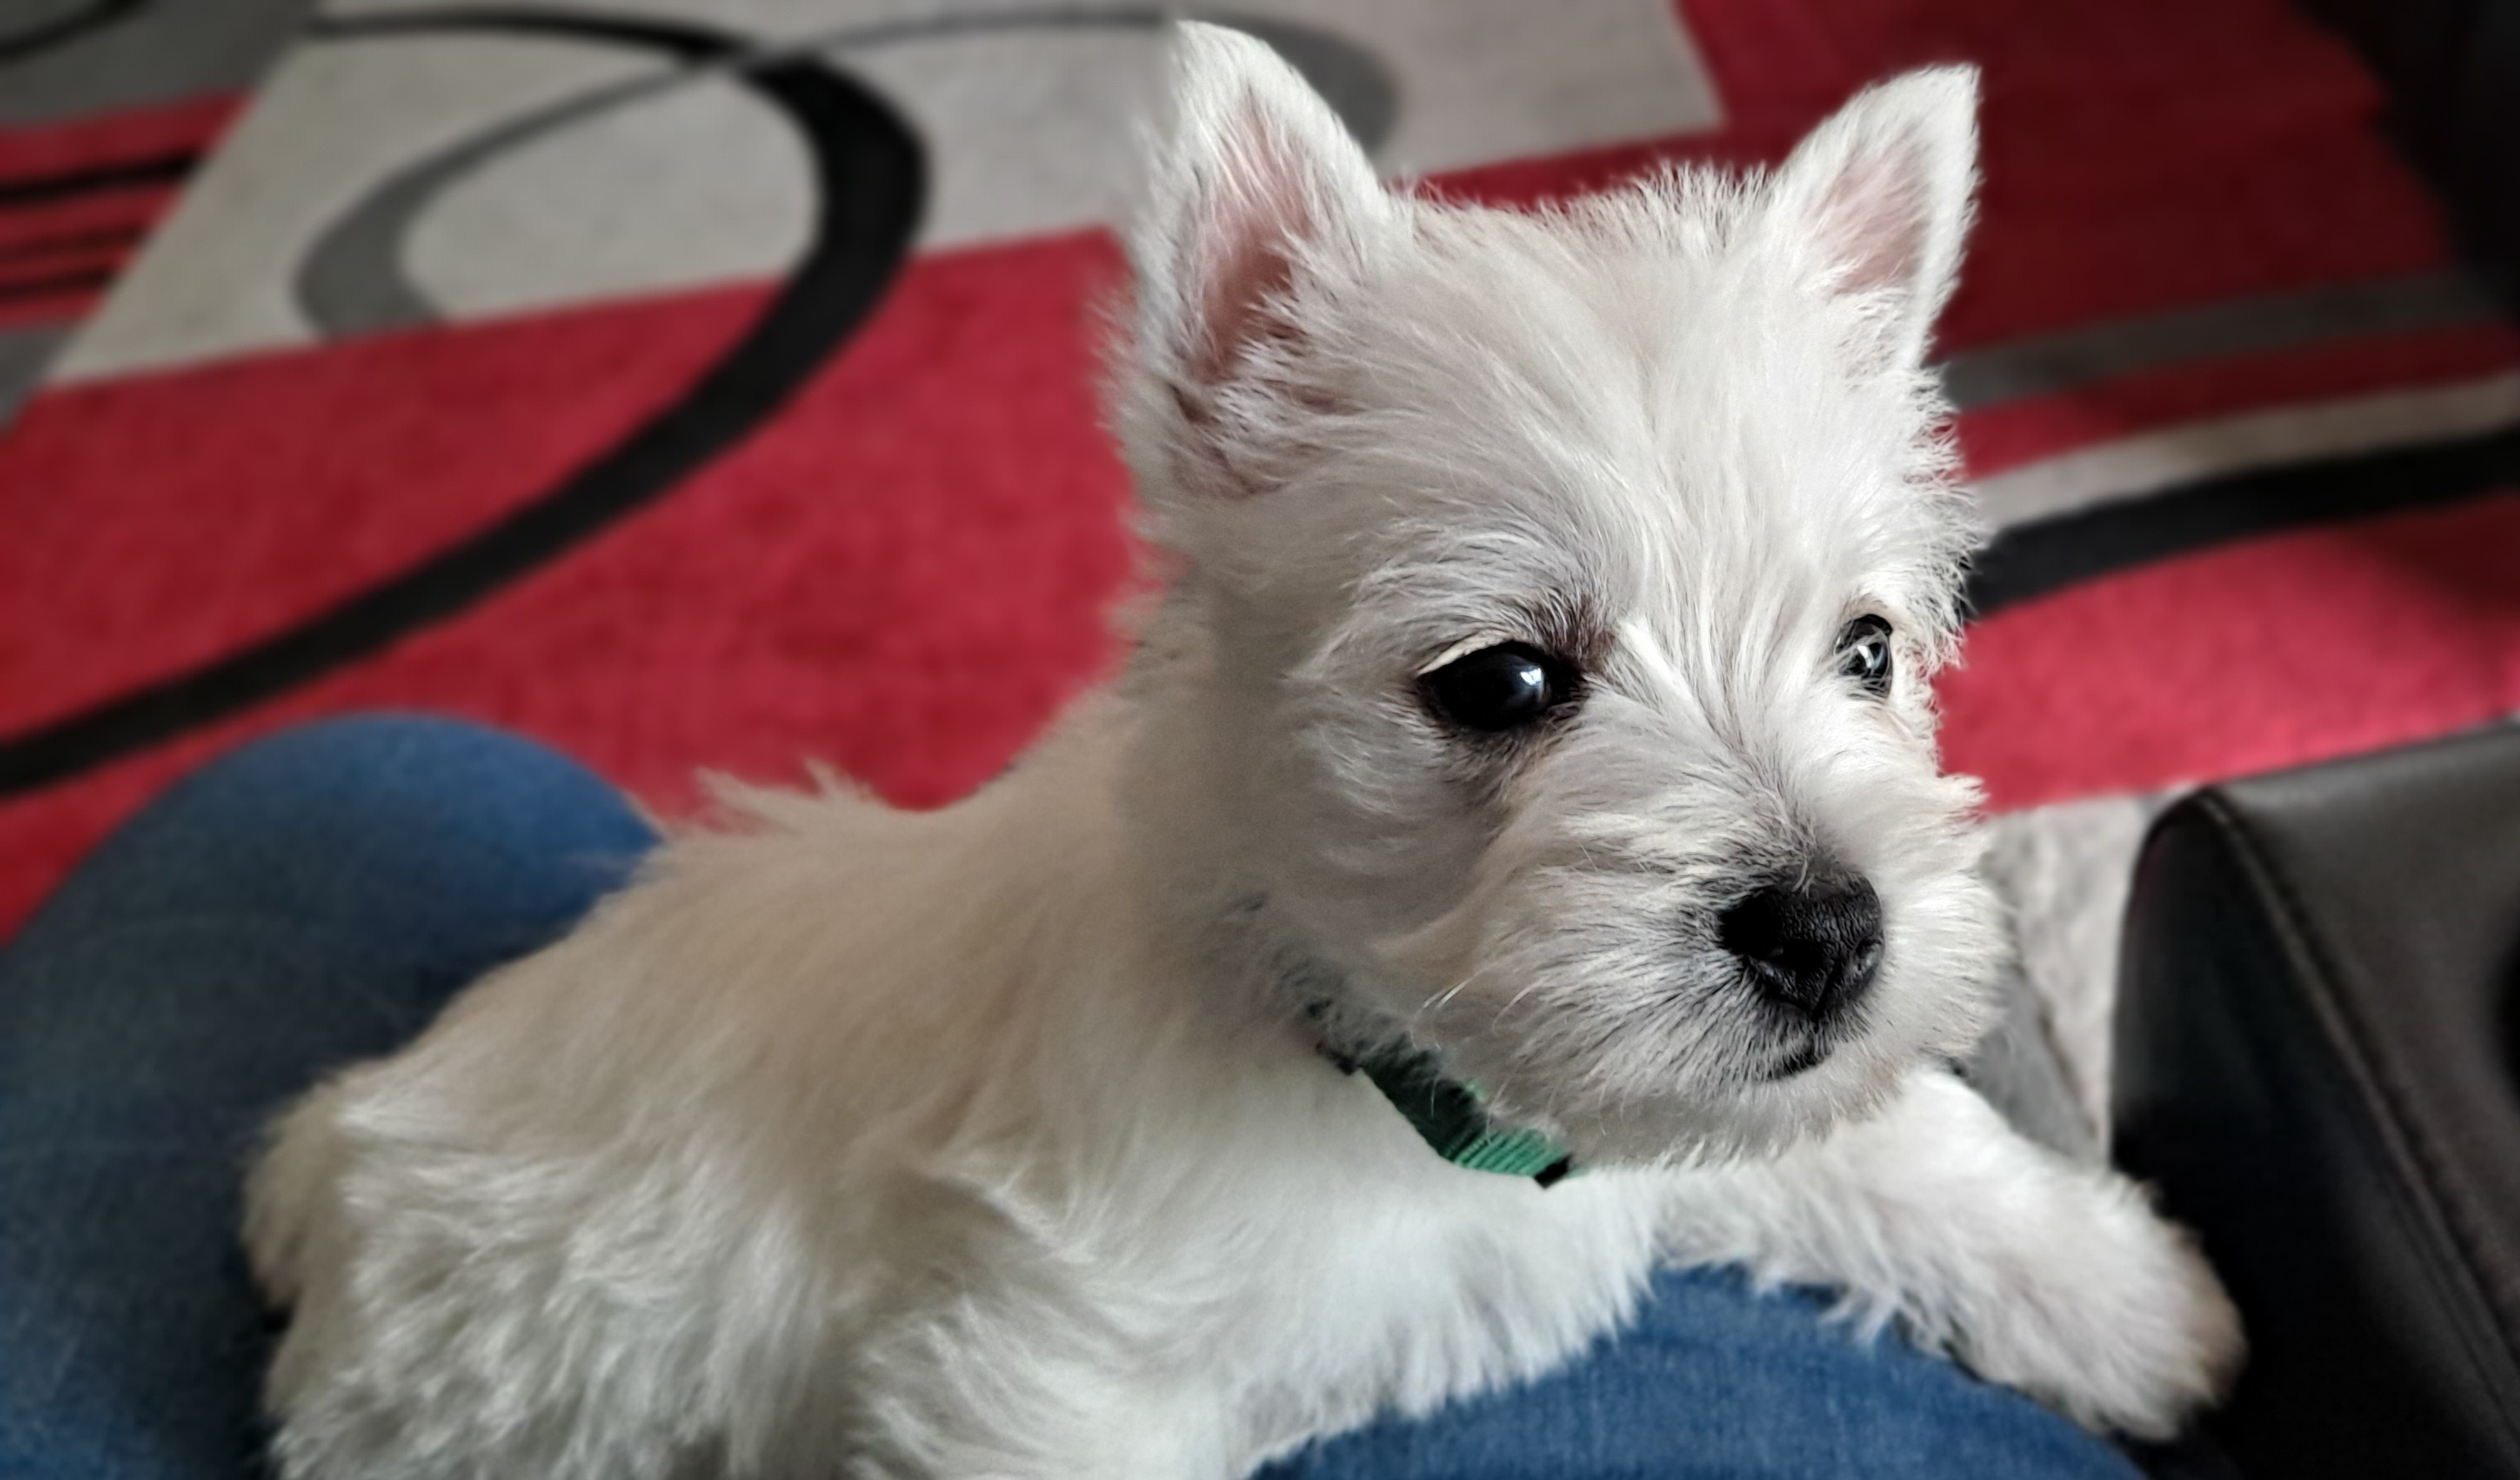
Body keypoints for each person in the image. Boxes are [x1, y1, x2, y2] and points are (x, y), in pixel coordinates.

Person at [0, 715, 2143, 1479]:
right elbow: (1038, 1410)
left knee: (373, 786)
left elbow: (1630, 1130)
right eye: (1508, 686)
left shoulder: (1436, 999)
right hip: (478, 1397)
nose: (1815, 863)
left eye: (1864, 644)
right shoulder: (1163, 1095)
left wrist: (2007, 1224)